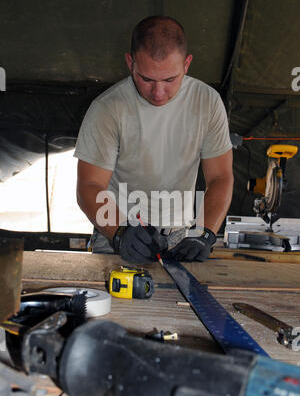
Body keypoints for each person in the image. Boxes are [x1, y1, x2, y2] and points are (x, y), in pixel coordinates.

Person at [74, 15, 234, 264]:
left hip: (181, 237)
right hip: (119, 233)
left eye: (170, 79)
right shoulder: (107, 108)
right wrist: (120, 234)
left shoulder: (208, 103)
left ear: (187, 64)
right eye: (146, 79)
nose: (158, 93)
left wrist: (205, 234)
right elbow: (89, 186)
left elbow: (220, 177)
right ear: (130, 63)